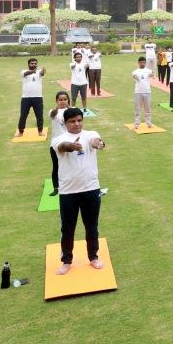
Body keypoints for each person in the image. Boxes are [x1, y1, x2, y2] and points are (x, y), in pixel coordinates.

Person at [53, 107, 106, 275]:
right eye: (72, 121)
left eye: (79, 120)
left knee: (92, 225)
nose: (77, 124)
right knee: (68, 228)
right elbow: (62, 147)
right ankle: (66, 261)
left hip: (90, 188)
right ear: (65, 123)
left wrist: (98, 143)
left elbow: (95, 141)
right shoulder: (58, 139)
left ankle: (93, 257)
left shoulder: (90, 133)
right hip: (68, 191)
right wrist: (72, 146)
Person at [47, 91, 70, 196]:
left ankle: (70, 185)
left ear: (68, 100)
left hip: (69, 143)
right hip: (55, 144)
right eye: (60, 100)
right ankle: (56, 188)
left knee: (70, 165)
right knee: (56, 166)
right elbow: (55, 116)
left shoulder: (73, 110)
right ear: (56, 101)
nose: (63, 101)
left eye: (65, 99)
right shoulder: (53, 112)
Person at [18, 58, 47, 138]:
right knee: (23, 115)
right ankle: (21, 132)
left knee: (39, 115)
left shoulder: (38, 72)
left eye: (35, 63)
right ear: (28, 64)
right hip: (26, 98)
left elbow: (42, 73)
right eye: (32, 63)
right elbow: (27, 73)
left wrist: (43, 71)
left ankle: (40, 131)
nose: (34, 65)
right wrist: (32, 71)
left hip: (38, 97)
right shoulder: (23, 71)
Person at [132, 56, 153, 128]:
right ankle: (137, 123)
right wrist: (136, 77)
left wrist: (152, 74)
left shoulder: (148, 70)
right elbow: (134, 76)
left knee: (148, 108)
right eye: (141, 62)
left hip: (147, 91)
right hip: (138, 92)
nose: (142, 64)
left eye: (144, 62)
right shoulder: (135, 71)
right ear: (138, 63)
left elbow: (152, 74)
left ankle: (149, 122)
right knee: (137, 109)